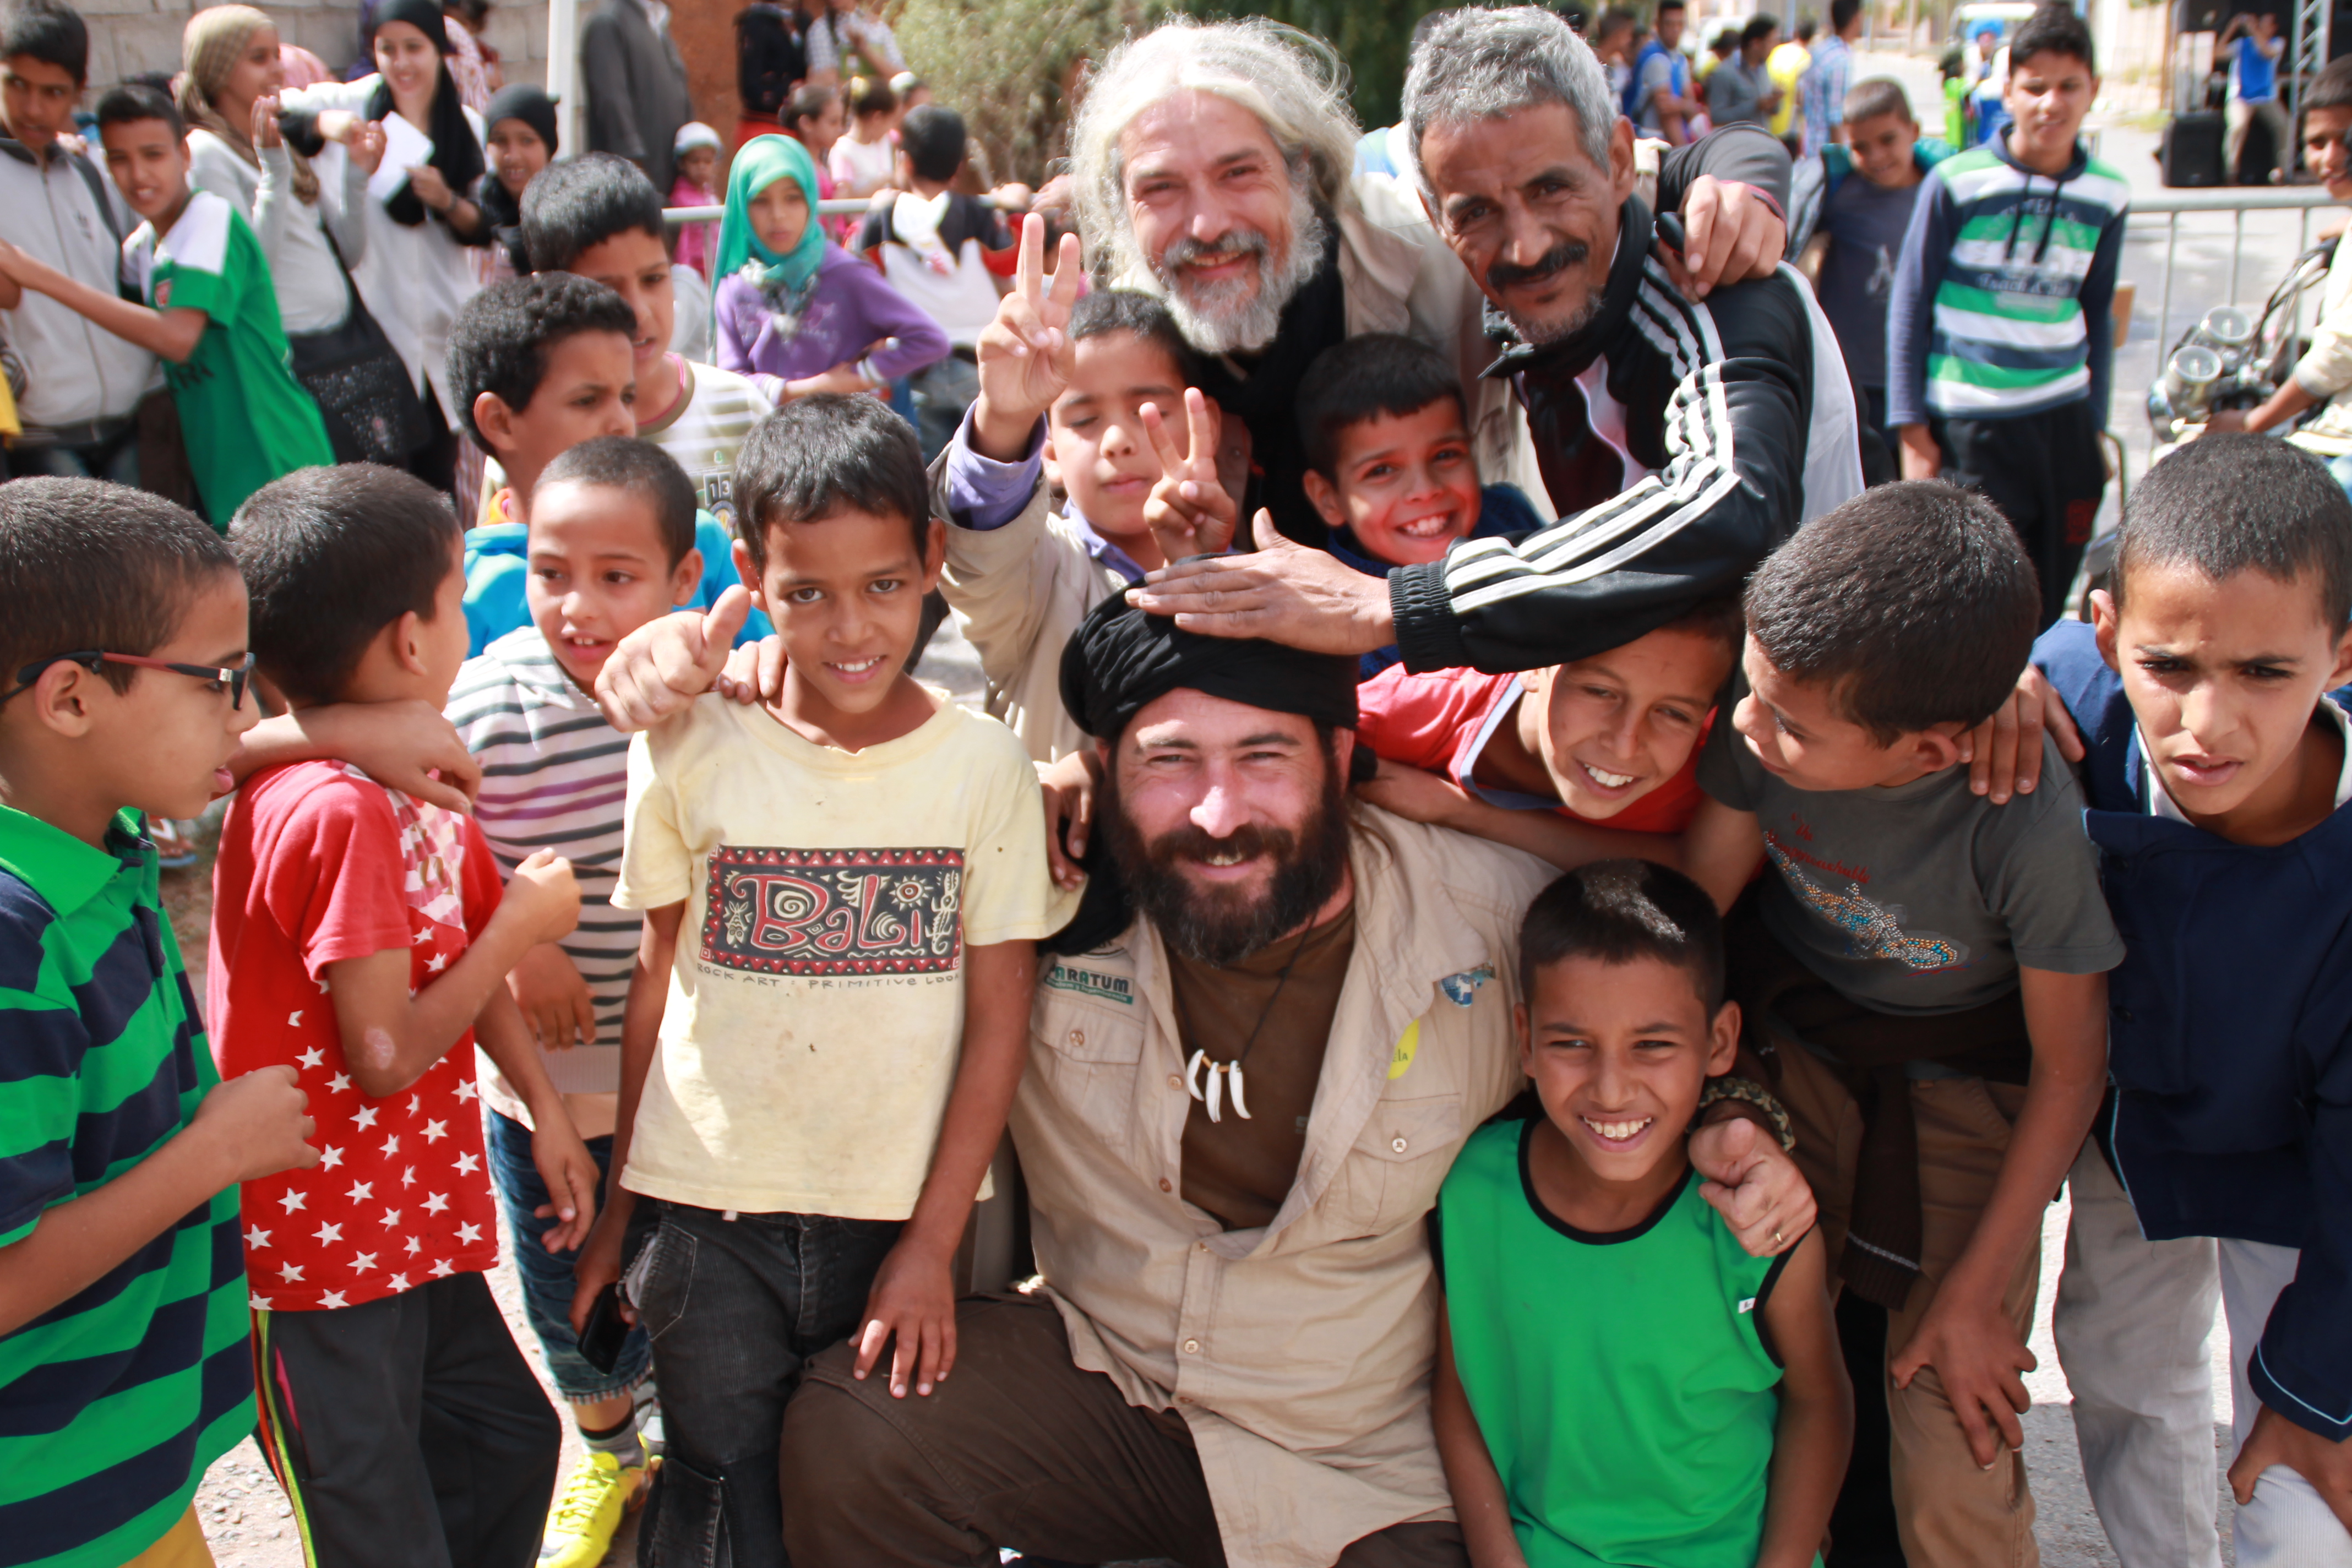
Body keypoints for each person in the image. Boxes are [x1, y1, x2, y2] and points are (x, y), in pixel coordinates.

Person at [599, 590, 1820, 1567]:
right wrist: (730, 672)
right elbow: (825, 823)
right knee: (856, 1441)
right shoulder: (1038, 892)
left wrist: (1741, 1115)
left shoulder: (1488, 921)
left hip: (1357, 1446)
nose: (1221, 809)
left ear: (1341, 754)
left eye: (1264, 756)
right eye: (1170, 759)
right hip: (1106, 1371)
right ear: (1103, 767)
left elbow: (1642, 1031)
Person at [1394, 481, 2124, 1564]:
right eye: (1754, 688)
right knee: (1730, 1313)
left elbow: (2071, 1067)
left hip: (1968, 1089)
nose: (1741, 724)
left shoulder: (2021, 821)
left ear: (1927, 752)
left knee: (1950, 1437)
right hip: (1801, 1050)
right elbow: (1694, 885)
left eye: (1785, 722)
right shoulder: (1779, 709)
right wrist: (1461, 812)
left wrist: (1975, 1297)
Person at [569, 395, 1061, 1566]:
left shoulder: (982, 768)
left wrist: (932, 1242)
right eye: (806, 593)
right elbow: (657, 977)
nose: (851, 627)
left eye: (884, 585)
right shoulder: (689, 739)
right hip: (708, 1211)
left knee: (869, 1485)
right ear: (750, 576)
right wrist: (624, 1211)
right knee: (719, 1484)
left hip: (893, 1213)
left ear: (933, 559)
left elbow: (998, 1020)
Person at [1128, 7, 1861, 693]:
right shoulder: (1512, 298)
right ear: (1433, 214)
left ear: (1617, 162)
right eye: (1476, 212)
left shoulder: (1707, 286)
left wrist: (1399, 604)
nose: (1525, 246)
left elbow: (1728, 503)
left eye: (1551, 190)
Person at [211, 463, 596, 1567]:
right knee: (377, 1521)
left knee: (504, 1442)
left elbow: (463, 943)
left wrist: (548, 1110)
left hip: (408, 1219)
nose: (471, 617)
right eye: (456, 595)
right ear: (409, 638)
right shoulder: (337, 806)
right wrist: (520, 929)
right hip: (318, 1252)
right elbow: (384, 1053)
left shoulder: (409, 774)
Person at [1062, 12, 1798, 544]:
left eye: (1239, 173)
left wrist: (1741, 175)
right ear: (1121, 208)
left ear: (1303, 172)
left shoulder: (1422, 244)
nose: (1205, 225)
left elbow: (1613, 177)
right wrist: (1006, 435)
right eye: (1160, 189)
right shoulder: (1121, 342)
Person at [2035, 437, 2352, 1568]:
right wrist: (1995, 690)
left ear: (2343, 653)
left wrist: (2315, 1391)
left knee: (2306, 1466)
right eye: (2169, 665)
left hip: (2313, 1163)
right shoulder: (2073, 698)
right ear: (2110, 632)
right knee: (2123, 1368)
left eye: (2265, 672)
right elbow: (2030, 655)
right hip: (2135, 1132)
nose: (2205, 724)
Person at [0, 478, 315, 1568]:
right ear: (71, 699)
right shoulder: (14, 943)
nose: (246, 714)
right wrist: (212, 1153)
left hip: (113, 1468)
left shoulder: (92, 838)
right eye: (222, 679)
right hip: (52, 1502)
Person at [445, 436, 711, 1568]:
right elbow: (431, 853)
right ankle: (607, 1453)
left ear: (683, 578)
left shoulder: (708, 698)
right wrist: (512, 938)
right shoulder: (482, 698)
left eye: (616, 575)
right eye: (552, 572)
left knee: (695, 1283)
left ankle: (706, 1448)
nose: (578, 606)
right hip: (542, 1091)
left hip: (692, 1084)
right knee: (565, 1288)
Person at [1433, 861, 1850, 1568]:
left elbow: (1821, 1403)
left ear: (1719, 1042)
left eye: (1652, 1045)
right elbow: (1460, 1392)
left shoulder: (1755, 1221)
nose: (1611, 1088)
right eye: (1573, 1043)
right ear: (1526, 1039)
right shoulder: (1474, 1193)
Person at [0, 85, 336, 527]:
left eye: (154, 155)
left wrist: (37, 276)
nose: (138, 174)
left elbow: (177, 339)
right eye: (120, 159)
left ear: (184, 154)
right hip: (220, 470)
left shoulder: (209, 219)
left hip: (277, 454)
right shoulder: (141, 248)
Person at [1888, 3, 2125, 629]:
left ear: (2093, 90)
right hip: (1974, 424)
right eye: (2036, 86)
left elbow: (2096, 311)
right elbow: (1910, 304)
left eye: (2069, 86)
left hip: (2063, 421)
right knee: (1974, 603)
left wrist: (2095, 425)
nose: (2052, 103)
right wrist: (1912, 430)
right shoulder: (1957, 182)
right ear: (2008, 90)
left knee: (2050, 595)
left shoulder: (2108, 193)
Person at [446, 273, 765, 655]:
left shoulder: (694, 538)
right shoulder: (464, 592)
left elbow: (765, 668)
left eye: (627, 397)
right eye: (587, 401)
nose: (622, 423)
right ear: (499, 422)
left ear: (686, 575)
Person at [279, 0, 492, 496]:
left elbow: (484, 225)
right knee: (382, 488)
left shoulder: (465, 127)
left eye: (414, 48)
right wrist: (331, 127)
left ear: (438, 51)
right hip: (374, 330)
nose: (401, 63)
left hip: (440, 326)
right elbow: (278, 108)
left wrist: (445, 200)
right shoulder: (351, 105)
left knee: (439, 478)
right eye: (387, 49)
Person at [519, 154, 777, 539]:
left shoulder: (741, 409)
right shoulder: (529, 433)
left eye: (654, 279)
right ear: (548, 292)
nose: (638, 312)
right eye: (606, 290)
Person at [1355, 595, 1743, 839]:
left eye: (1674, 713)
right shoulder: (1414, 708)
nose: (1626, 746)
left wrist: (1457, 811)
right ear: (1531, 661)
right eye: (1599, 692)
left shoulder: (1711, 778)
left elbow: (1698, 877)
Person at [1293, 332, 1545, 677]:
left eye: (1445, 455)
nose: (1426, 491)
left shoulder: (1508, 516)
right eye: (1382, 471)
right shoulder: (1334, 623)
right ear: (1328, 498)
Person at [0, 0, 156, 487]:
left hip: (127, 421)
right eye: (16, 84)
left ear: (79, 91)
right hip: (42, 434)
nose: (33, 108)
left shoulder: (90, 171)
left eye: (53, 93)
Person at [712, 134, 950, 397]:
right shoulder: (735, 288)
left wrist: (862, 376)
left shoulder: (845, 274)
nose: (778, 215)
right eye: (760, 200)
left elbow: (930, 340)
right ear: (742, 208)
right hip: (767, 424)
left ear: (810, 200)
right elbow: (730, 381)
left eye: (792, 198)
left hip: (841, 422)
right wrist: (813, 388)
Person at [1796, 78, 1952, 466]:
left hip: (1921, 378)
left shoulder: (1942, 194)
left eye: (1887, 140)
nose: (1876, 156)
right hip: (1853, 380)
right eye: (1860, 147)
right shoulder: (1838, 194)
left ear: (1914, 130)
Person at [856, 104, 1019, 456]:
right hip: (980, 366)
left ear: (905, 162)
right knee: (986, 464)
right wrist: (1013, 207)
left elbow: (860, 270)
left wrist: (872, 210)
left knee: (929, 473)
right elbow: (1007, 273)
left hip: (917, 369)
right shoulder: (981, 215)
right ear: (959, 167)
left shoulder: (882, 219)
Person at [2212, 56, 2352, 460]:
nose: (2331, 158)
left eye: (2347, 140)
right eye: (2317, 143)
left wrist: (2255, 421)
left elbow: (2338, 354)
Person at [580, 0, 692, 196]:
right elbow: (611, 101)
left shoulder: (656, 23)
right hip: (634, 185)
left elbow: (680, 95)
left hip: (668, 179)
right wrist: (633, 165)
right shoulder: (609, 22)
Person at [473, 80, 554, 280]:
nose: (513, 156)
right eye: (500, 141)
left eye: (527, 141)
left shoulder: (572, 218)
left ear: (549, 146)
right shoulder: (477, 210)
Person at [2219, 9, 2288, 184]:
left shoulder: (2277, 43)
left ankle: (2281, 170)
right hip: (2241, 97)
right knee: (2237, 127)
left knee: (2284, 126)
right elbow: (2217, 53)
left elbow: (2266, 53)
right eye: (2261, 23)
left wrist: (2253, 29)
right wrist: (2231, 29)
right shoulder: (2241, 44)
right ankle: (2231, 171)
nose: (2262, 26)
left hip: (2266, 97)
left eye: (2266, 24)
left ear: (2274, 28)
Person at [1629, 0, 1702, 142]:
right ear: (1658, 25)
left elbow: (1692, 106)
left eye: (1680, 24)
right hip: (1655, 141)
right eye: (1670, 24)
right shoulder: (1656, 59)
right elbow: (1668, 116)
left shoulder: (1680, 59)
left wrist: (1679, 104)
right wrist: (1684, 152)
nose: (1675, 30)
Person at [734, 0, 803, 143]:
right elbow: (751, 88)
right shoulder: (756, 24)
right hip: (763, 130)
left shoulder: (800, 20)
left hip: (797, 130)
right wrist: (788, 89)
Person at [826, 73, 897, 202]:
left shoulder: (883, 143)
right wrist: (880, 182)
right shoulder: (844, 150)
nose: (890, 128)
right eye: (890, 121)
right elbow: (842, 199)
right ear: (877, 118)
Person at [801, 0, 905, 87]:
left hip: (882, 100)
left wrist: (865, 49)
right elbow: (825, 82)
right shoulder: (821, 29)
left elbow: (902, 76)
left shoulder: (876, 26)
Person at [1708, 17, 1783, 130]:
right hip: (1737, 139)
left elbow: (1770, 110)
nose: (1774, 46)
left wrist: (1774, 102)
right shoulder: (1725, 72)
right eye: (1771, 41)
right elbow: (1717, 117)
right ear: (1756, 44)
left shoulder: (1763, 68)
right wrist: (1755, 106)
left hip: (1762, 137)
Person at [671, 119, 721, 279]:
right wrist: (685, 275)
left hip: (713, 270)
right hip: (694, 274)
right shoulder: (680, 199)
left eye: (707, 161)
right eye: (695, 161)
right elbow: (682, 243)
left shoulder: (710, 194)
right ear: (682, 164)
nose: (702, 167)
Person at [1806, 0, 1860, 150]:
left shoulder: (1821, 50)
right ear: (1856, 19)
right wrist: (1839, 157)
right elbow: (1836, 117)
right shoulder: (1840, 60)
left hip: (1811, 143)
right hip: (1825, 152)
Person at [1766, 17, 1812, 150]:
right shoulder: (1806, 58)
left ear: (1795, 33)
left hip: (1769, 119)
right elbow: (1801, 96)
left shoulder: (1777, 51)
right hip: (1789, 125)